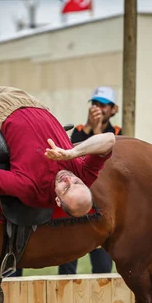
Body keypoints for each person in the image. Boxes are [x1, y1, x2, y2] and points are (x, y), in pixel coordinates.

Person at [0, 86, 116, 217]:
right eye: (76, 183)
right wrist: (72, 153)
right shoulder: (83, 175)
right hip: (32, 103)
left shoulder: (31, 188)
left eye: (66, 188)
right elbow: (109, 139)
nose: (68, 179)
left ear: (58, 201)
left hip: (1, 113)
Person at [58, 86, 121, 275]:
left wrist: (97, 130)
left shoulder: (118, 131)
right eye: (94, 103)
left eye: (103, 105)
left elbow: (108, 158)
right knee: (67, 262)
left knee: (103, 267)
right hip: (77, 200)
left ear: (113, 109)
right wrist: (90, 128)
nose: (97, 108)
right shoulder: (77, 131)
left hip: (103, 204)